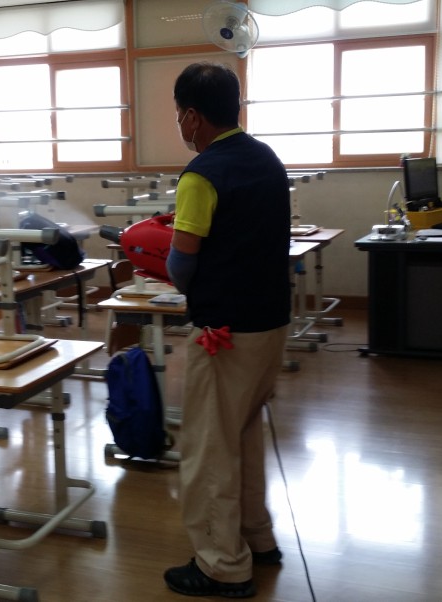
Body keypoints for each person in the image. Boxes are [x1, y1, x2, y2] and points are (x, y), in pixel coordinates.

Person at [163, 62, 291, 599]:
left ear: (193, 116)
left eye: (179, 115)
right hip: (270, 323)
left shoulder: (201, 175)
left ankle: (221, 565)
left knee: (209, 450)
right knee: (243, 435)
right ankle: (257, 539)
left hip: (225, 330)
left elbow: (181, 266)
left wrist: (165, 262)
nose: (180, 125)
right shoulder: (266, 159)